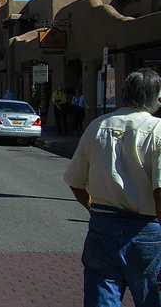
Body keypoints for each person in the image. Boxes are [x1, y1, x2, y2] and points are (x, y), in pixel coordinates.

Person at [64, 68, 161, 306]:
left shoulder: (97, 126)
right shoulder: (157, 131)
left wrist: (92, 207)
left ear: (123, 94)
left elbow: (75, 183)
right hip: (145, 230)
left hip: (103, 226)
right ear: (157, 98)